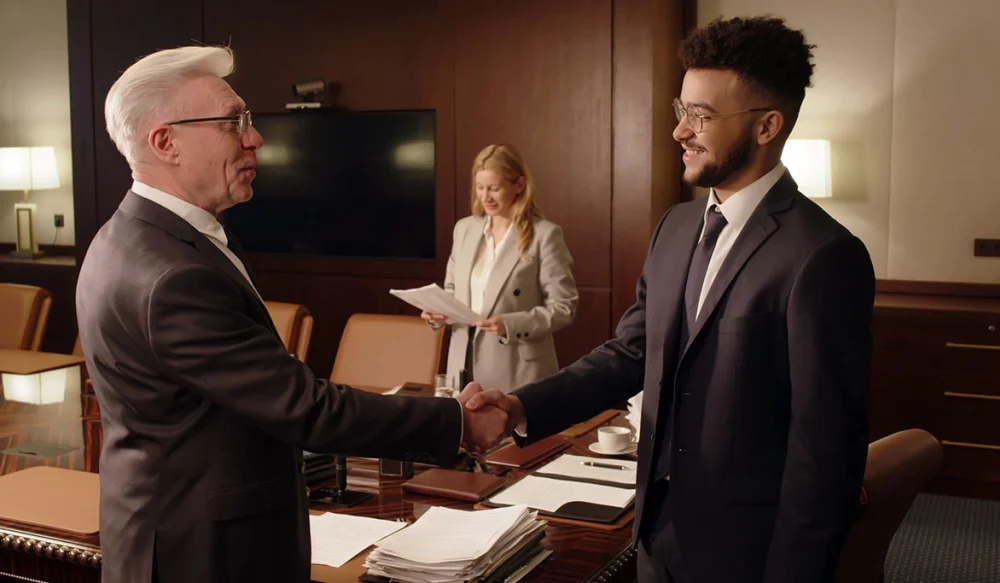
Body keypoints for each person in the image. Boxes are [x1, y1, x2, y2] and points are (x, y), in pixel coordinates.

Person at [463, 16, 876, 583]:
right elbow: (629, 354)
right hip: (656, 534)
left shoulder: (823, 255)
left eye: (701, 116)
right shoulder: (675, 228)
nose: (680, 132)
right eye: (681, 111)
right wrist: (520, 406)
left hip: (747, 554)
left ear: (767, 126)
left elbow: (825, 451)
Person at [76, 46, 505, 583]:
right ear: (166, 142)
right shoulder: (173, 274)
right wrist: (457, 422)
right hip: (205, 554)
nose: (255, 138)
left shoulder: (127, 238)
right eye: (234, 122)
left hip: (177, 533)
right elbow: (306, 409)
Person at [421, 144, 578, 393]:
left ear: (519, 185)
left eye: (494, 188)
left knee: (510, 432)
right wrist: (440, 312)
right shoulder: (464, 229)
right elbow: (452, 290)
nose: (486, 197)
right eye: (480, 188)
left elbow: (564, 307)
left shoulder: (545, 235)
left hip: (517, 368)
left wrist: (512, 324)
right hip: (462, 362)